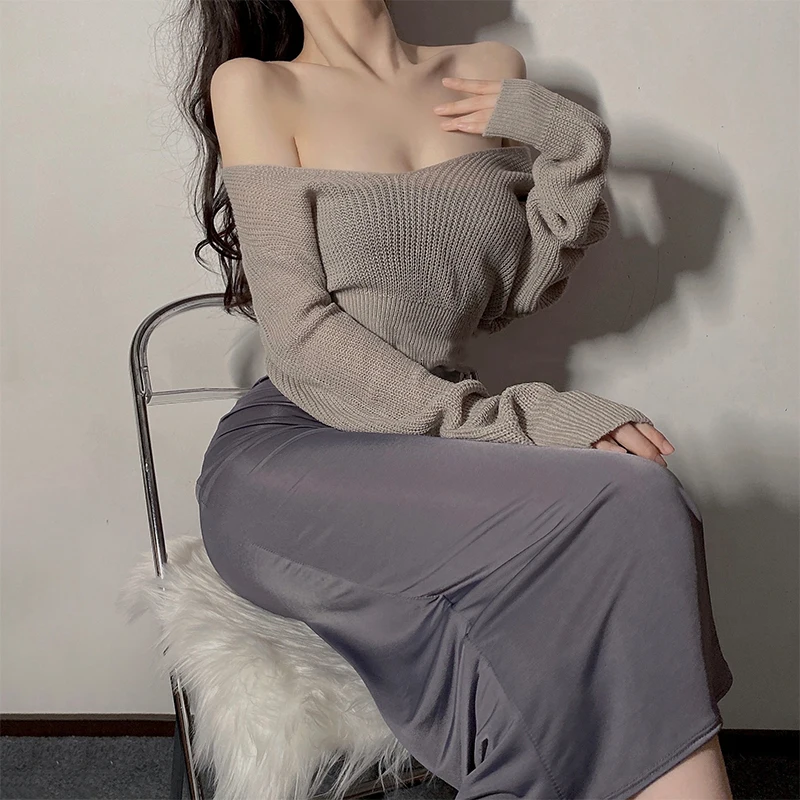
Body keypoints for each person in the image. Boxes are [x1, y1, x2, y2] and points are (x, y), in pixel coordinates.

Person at [184, 1, 734, 797]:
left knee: (645, 500)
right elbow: (302, 339)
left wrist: (574, 147)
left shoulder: (488, 74)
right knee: (631, 502)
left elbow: (516, 290)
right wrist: (520, 422)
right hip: (293, 458)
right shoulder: (257, 87)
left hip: (429, 447)